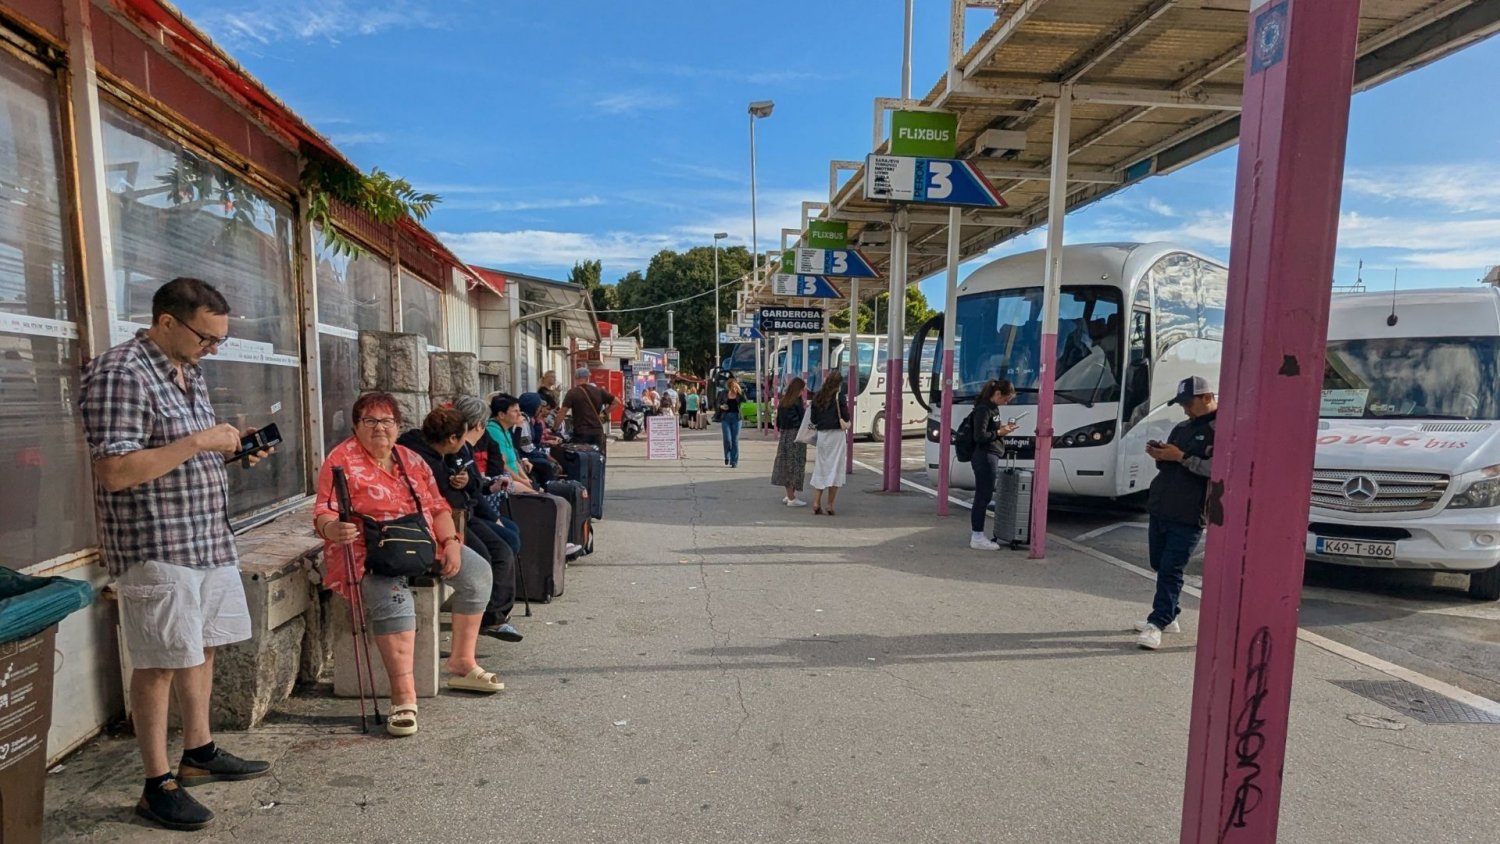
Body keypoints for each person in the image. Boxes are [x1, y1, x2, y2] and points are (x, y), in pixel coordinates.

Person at [80, 278, 276, 831]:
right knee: (161, 660)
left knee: (203, 647)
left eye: (219, 341)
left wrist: (232, 453)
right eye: (207, 338)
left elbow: (176, 456)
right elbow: (115, 471)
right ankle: (155, 783)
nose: (213, 348)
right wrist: (199, 443)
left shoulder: (188, 369)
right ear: (166, 322)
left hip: (205, 536)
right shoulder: (120, 372)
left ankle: (199, 752)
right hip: (156, 542)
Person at [315, 393, 504, 739]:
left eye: (387, 421)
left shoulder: (410, 459)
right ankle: (403, 697)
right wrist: (332, 528)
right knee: (396, 601)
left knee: (478, 574)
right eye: (370, 421)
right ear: (356, 426)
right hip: (367, 552)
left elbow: (437, 506)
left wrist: (450, 544)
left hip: (418, 542)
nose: (379, 429)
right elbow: (324, 510)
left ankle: (462, 662)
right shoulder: (340, 460)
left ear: (398, 426)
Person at [397, 404, 522, 643]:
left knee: (504, 548)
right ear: (452, 437)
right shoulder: (418, 457)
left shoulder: (455, 450)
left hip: (463, 513)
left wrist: (465, 481)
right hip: (438, 524)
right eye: (462, 436)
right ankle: (486, 618)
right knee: (486, 557)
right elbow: (432, 502)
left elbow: (475, 481)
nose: (466, 441)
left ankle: (494, 617)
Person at [1136, 375, 1218, 650]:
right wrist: (1161, 455)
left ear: (1207, 398)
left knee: (1171, 569)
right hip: (1161, 505)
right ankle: (1171, 614)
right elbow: (1169, 466)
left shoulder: (1222, 430)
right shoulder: (1181, 427)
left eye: (1189, 403)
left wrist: (1181, 457)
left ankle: (1157, 621)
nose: (1184, 409)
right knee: (1159, 564)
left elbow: (1217, 470)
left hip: (1190, 512)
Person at [965, 379, 1021, 550]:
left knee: (985, 495)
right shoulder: (983, 409)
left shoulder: (992, 408)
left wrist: (1001, 430)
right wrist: (999, 432)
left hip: (991, 455)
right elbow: (979, 436)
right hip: (984, 456)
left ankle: (979, 535)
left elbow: (989, 431)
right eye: (1005, 399)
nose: (1006, 403)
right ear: (997, 394)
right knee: (983, 496)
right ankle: (977, 536)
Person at [808, 371, 850, 515]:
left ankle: (816, 502)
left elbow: (813, 420)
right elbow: (846, 416)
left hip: (822, 436)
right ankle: (830, 505)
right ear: (838, 383)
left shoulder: (818, 396)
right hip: (837, 436)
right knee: (835, 468)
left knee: (822, 467)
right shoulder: (839, 397)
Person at [771, 377, 810, 507]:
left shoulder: (783, 401)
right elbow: (802, 420)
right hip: (796, 436)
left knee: (786, 465)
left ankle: (789, 495)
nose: (802, 392)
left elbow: (778, 423)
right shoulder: (797, 402)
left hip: (785, 436)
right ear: (798, 390)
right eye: (802, 390)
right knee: (795, 465)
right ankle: (792, 498)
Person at [561, 367, 613, 454]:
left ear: (576, 378)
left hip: (581, 432)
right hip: (597, 432)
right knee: (597, 457)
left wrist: (554, 428)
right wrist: (603, 414)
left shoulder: (572, 393)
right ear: (587, 378)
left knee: (582, 458)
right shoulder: (598, 391)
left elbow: (562, 412)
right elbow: (616, 402)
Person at [719, 377, 745, 468]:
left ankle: (734, 461)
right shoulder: (724, 393)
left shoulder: (739, 394)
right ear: (728, 386)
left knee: (735, 440)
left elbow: (745, 400)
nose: (733, 387)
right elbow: (718, 403)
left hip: (737, 419)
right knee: (727, 439)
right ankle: (727, 456)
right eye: (731, 385)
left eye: (734, 385)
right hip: (726, 418)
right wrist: (721, 407)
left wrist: (739, 391)